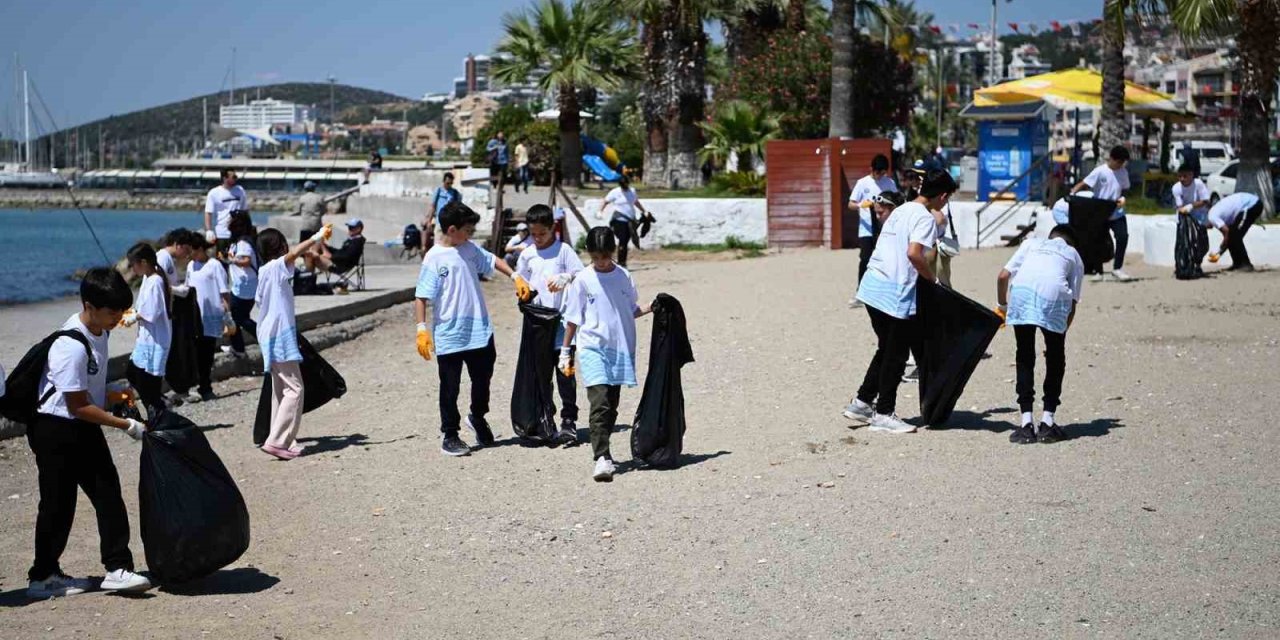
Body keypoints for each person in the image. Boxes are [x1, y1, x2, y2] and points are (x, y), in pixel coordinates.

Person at [25, 267, 152, 599]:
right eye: (112, 313)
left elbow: (88, 389)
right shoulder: (70, 345)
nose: (117, 319)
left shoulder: (101, 332)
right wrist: (126, 425)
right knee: (57, 504)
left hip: (82, 425)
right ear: (89, 305)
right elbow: (77, 405)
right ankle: (43, 577)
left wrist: (113, 394)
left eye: (121, 312)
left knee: (108, 494)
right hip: (55, 430)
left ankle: (117, 568)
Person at [414, 200, 533, 457]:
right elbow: (421, 296)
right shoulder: (434, 258)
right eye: (468, 230)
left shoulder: (468, 249)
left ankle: (477, 417)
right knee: (450, 386)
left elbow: (493, 260)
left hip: (479, 331)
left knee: (483, 380)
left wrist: (514, 276)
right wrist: (421, 329)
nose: (470, 235)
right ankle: (450, 434)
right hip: (450, 334)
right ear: (453, 229)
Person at [842, 169, 957, 434]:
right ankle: (883, 413)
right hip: (893, 292)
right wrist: (933, 281)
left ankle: (861, 403)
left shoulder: (902, 209)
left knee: (887, 348)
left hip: (872, 286)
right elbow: (915, 255)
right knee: (896, 353)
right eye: (947, 197)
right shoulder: (925, 219)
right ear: (942, 195)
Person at [560, 227, 654, 481]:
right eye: (596, 257)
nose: (601, 262)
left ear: (612, 252)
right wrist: (565, 351)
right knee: (599, 402)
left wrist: (651, 307)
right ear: (589, 254)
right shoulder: (582, 280)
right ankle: (601, 457)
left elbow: (629, 310)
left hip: (620, 347)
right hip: (592, 347)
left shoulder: (623, 276)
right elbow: (572, 319)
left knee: (611, 405)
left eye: (605, 256)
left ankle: (604, 445)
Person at [995, 224, 1085, 445]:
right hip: (1054, 296)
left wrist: (1002, 307)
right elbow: (1072, 303)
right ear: (1070, 242)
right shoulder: (1073, 255)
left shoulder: (1030, 243)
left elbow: (1002, 276)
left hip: (1022, 294)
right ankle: (1047, 422)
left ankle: (1026, 423)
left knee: (1024, 355)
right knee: (1055, 359)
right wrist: (1060, 334)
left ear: (1051, 237)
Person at [255, 224, 334, 460]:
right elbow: (294, 254)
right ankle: (277, 441)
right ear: (278, 247)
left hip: (268, 334)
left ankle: (283, 439)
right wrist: (317, 237)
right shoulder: (275, 267)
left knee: (280, 390)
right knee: (295, 389)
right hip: (280, 334)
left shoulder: (264, 272)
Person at [518, 205, 586, 445]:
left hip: (562, 323)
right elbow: (521, 281)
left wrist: (567, 277)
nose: (538, 238)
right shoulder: (527, 254)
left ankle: (570, 420)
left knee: (564, 372)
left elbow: (582, 274)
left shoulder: (564, 251)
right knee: (541, 375)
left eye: (542, 234)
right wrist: (523, 293)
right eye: (533, 234)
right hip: (539, 323)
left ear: (552, 229)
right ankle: (547, 418)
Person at [122, 243, 171, 418]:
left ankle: (159, 415)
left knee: (148, 384)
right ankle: (156, 411)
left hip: (155, 340)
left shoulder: (156, 281)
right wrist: (132, 313)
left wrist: (134, 317)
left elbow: (153, 311)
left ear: (143, 262)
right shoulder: (148, 279)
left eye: (133, 264)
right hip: (145, 339)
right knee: (133, 373)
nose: (132, 268)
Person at [1070, 145, 1132, 281]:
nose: (1121, 165)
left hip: (1117, 211)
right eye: (1119, 162)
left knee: (1123, 237)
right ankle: (1098, 271)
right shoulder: (1100, 171)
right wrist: (1072, 193)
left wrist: (1123, 197)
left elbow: (1126, 189)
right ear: (1112, 159)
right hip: (1099, 210)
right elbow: (1085, 183)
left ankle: (1117, 268)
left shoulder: (1123, 172)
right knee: (1097, 240)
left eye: (1123, 162)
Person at [186, 235, 231, 402]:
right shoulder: (191, 265)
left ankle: (206, 387)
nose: (189, 255)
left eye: (191, 250)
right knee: (195, 353)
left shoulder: (215, 265)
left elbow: (224, 292)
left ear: (199, 249)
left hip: (211, 316)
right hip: (195, 316)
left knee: (206, 354)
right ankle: (194, 385)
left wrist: (227, 315)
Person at [850, 154, 898, 307]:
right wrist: (860, 205)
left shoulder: (889, 183)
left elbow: (898, 201)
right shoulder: (862, 183)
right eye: (878, 173)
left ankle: (884, 292)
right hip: (866, 229)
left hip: (886, 229)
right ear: (872, 169)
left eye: (883, 173)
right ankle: (861, 292)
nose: (880, 176)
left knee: (886, 260)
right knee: (865, 259)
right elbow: (850, 203)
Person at [225, 211, 258, 357]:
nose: (227, 222)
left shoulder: (243, 243)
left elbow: (246, 261)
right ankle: (238, 348)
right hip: (239, 286)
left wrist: (231, 261)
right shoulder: (237, 242)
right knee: (238, 317)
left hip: (245, 287)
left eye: (230, 220)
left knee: (239, 318)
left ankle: (264, 339)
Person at [1205, 191, 1263, 272]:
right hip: (1249, 203)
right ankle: (1238, 264)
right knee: (1232, 235)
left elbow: (1226, 233)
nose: (1206, 228)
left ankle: (1246, 264)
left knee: (1235, 235)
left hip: (1251, 204)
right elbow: (1227, 238)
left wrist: (1219, 252)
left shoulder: (1211, 216)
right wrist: (1219, 253)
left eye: (1204, 227)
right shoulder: (1219, 215)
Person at [1171, 164, 1211, 278]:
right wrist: (1184, 209)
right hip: (1184, 217)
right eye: (1180, 176)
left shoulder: (1198, 184)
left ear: (1191, 175)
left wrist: (1192, 206)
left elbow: (1205, 200)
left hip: (1200, 216)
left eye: (1185, 176)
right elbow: (1179, 206)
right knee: (1183, 243)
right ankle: (1183, 266)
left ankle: (1197, 264)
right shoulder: (1176, 188)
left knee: (1202, 243)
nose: (1182, 179)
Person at [600, 175, 648, 267]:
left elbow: (635, 202)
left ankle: (622, 262)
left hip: (630, 221)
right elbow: (605, 201)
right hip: (619, 220)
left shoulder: (632, 191)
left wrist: (644, 211)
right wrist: (600, 211)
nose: (624, 187)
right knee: (622, 240)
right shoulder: (615, 192)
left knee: (625, 242)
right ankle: (620, 262)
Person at [203, 169, 249, 258]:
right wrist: (209, 230)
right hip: (222, 233)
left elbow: (245, 210)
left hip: (239, 234)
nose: (236, 179)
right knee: (222, 259)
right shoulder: (214, 193)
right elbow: (208, 212)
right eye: (233, 177)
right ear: (225, 178)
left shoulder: (240, 190)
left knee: (238, 259)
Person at [423, 172, 462, 251]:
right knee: (437, 242)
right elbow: (433, 206)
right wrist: (429, 221)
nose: (449, 185)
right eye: (447, 183)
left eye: (451, 183)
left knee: (448, 244)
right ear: (444, 181)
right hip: (439, 221)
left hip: (450, 223)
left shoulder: (455, 193)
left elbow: (458, 208)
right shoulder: (439, 191)